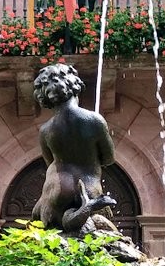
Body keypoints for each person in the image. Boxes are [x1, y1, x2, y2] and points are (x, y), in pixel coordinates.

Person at [31, 63, 117, 233]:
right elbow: (109, 158)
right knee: (101, 236)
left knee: (52, 234)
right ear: (74, 85)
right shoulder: (95, 120)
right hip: (88, 187)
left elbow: (50, 163)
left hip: (56, 188)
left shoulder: (45, 130)